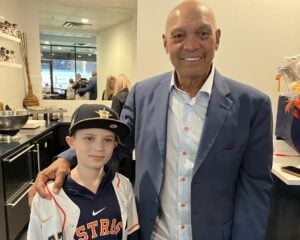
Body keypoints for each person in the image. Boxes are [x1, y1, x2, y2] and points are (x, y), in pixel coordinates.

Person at [31, 1, 273, 239]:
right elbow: (117, 144)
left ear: (217, 38)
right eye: (178, 35)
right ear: (165, 43)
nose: (191, 45)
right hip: (153, 233)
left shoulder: (252, 106)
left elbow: (255, 187)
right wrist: (66, 159)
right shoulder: (142, 94)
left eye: (202, 33)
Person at [27, 104, 140, 239]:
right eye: (89, 138)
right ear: (71, 142)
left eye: (108, 139)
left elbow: (132, 233)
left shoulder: (124, 185)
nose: (99, 147)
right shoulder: (47, 196)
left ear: (115, 144)